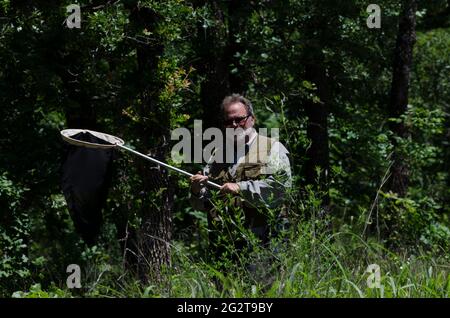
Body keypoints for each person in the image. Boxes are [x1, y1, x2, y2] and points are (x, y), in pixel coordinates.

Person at [189, 94, 292, 262]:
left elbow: (281, 189)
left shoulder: (272, 148)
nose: (234, 125)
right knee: (222, 289)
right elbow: (202, 204)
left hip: (263, 241)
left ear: (252, 119)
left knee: (261, 288)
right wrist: (196, 190)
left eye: (239, 120)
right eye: (229, 122)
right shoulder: (217, 155)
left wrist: (241, 188)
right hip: (223, 244)